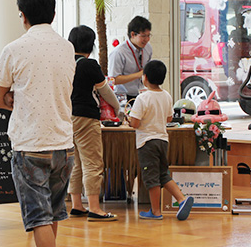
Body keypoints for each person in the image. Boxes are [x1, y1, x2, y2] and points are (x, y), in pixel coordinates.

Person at [0, 0, 76, 247]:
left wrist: (17, 98)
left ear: (23, 16)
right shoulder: (67, 48)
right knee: (53, 212)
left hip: (30, 145)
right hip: (63, 145)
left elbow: (1, 99)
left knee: (39, 218)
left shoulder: (14, 49)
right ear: (53, 14)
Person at [67, 25, 122, 222]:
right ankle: (95, 209)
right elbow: (105, 91)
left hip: (66, 117)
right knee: (92, 162)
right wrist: (118, 109)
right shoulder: (89, 65)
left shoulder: (64, 63)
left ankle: (76, 205)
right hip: (85, 117)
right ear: (91, 45)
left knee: (76, 162)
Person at [128, 60, 194, 221]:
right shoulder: (166, 95)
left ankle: (155, 211)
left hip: (146, 143)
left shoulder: (142, 98)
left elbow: (135, 123)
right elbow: (169, 117)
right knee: (163, 174)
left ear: (145, 78)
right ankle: (182, 199)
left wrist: (128, 118)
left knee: (151, 177)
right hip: (163, 140)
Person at [108, 16, 152, 100]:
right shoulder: (119, 52)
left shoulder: (148, 48)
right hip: (123, 97)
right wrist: (138, 75)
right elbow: (113, 80)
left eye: (148, 35)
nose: (147, 39)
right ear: (132, 34)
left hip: (143, 94)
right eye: (143, 36)